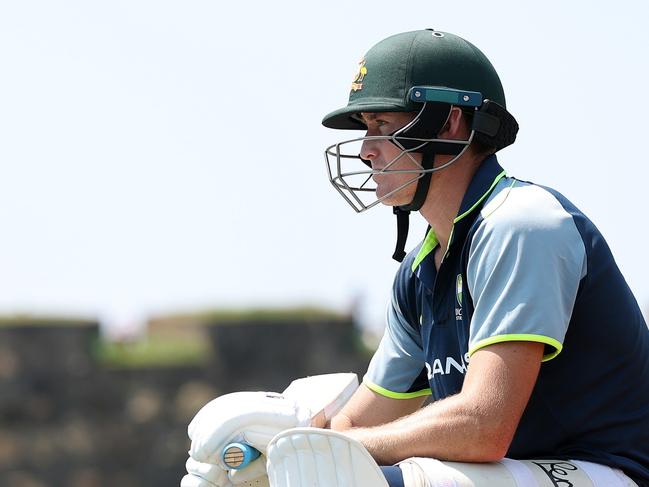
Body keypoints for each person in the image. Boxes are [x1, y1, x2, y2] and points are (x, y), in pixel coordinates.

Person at [182, 30, 649, 487]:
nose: (366, 150)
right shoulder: (421, 271)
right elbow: (358, 425)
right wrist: (276, 451)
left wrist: (327, 455)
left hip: (611, 472)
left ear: (449, 123)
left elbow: (483, 426)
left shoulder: (522, 224)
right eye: (366, 129)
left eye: (382, 126)